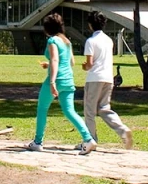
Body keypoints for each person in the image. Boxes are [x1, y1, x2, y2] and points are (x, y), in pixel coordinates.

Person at [27, 13, 96, 155]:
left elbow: (55, 60)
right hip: (68, 80)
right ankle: (88, 139)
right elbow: (71, 62)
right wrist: (50, 64)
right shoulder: (66, 41)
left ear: (48, 29)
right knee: (70, 111)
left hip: (56, 80)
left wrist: (52, 80)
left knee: (42, 108)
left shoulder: (52, 40)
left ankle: (38, 142)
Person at [81, 11, 132, 149]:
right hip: (108, 78)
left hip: (94, 78)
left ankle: (90, 140)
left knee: (89, 111)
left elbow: (89, 63)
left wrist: (84, 66)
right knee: (104, 108)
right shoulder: (109, 41)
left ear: (90, 25)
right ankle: (122, 130)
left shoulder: (90, 41)